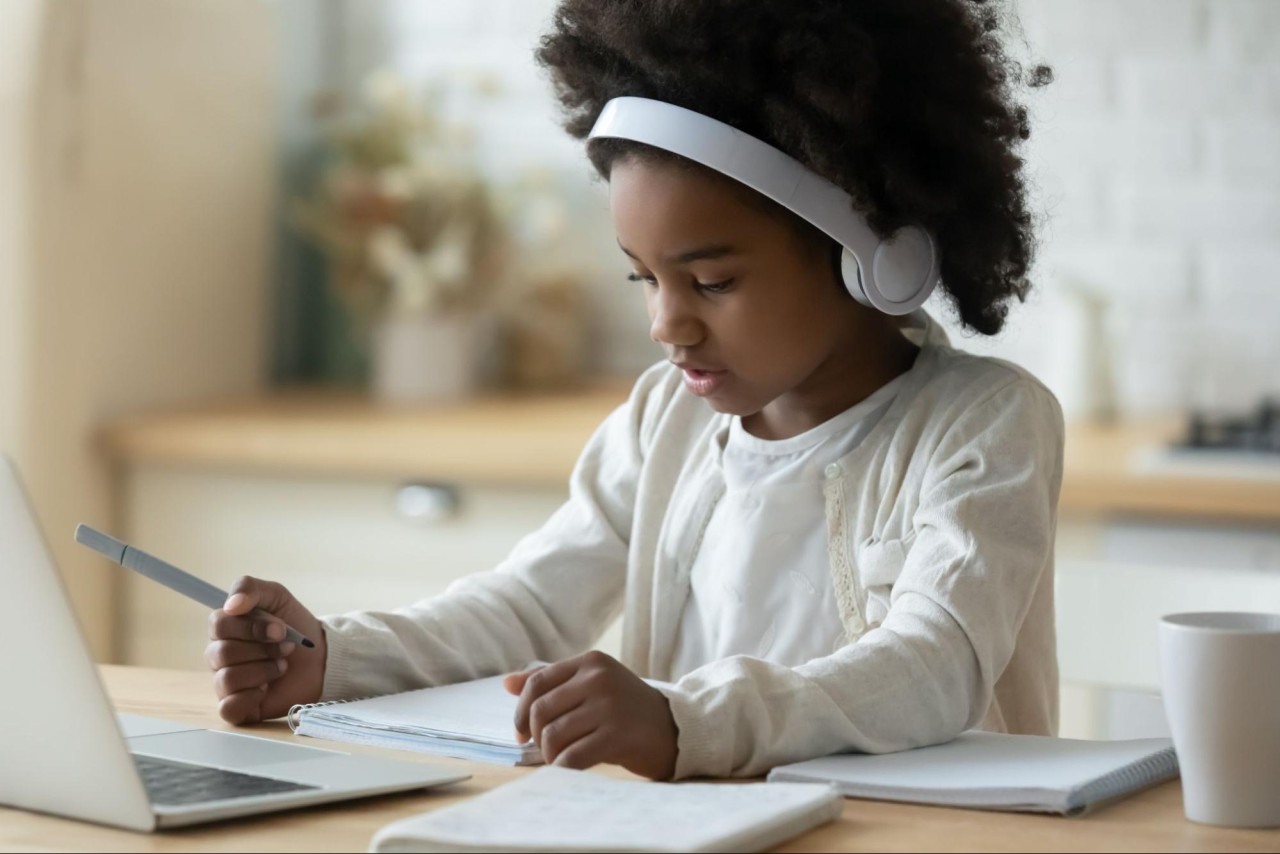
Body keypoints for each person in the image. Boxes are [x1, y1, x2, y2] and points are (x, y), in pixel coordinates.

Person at [206, 0, 1061, 782]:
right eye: (642, 279)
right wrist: (338, 660)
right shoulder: (666, 418)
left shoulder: (984, 422)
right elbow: (532, 602)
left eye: (712, 282)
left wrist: (684, 720)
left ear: (872, 255)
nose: (666, 323)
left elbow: (932, 668)